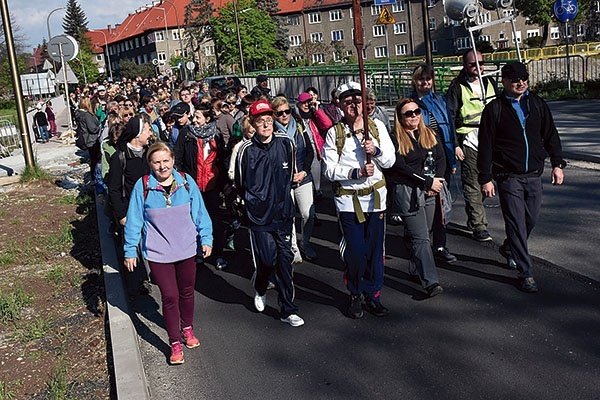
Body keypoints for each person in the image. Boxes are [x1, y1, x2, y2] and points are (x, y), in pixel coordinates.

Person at [478, 62, 566, 293]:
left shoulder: (537, 104)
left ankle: (510, 248)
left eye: (524, 78)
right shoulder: (495, 109)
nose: (521, 83)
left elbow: (551, 135)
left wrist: (557, 163)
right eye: (516, 79)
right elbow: (485, 145)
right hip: (508, 176)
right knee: (516, 222)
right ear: (505, 82)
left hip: (534, 173)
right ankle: (525, 272)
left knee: (531, 219)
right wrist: (485, 178)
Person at [124, 142, 213, 365]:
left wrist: (207, 238)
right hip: (158, 252)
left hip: (186, 249)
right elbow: (134, 220)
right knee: (170, 296)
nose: (162, 166)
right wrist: (130, 251)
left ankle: (187, 329)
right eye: (157, 162)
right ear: (150, 164)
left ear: (172, 160)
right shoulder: (142, 186)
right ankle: (174, 342)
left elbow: (200, 212)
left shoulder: (185, 182)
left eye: (166, 161)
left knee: (187, 292)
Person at [322, 82, 395, 318]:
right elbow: (329, 170)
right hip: (348, 202)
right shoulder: (335, 133)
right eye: (348, 102)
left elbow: (390, 162)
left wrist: (377, 151)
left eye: (358, 100)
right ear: (340, 106)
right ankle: (355, 292)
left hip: (376, 200)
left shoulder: (378, 127)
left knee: (375, 251)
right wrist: (355, 173)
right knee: (356, 251)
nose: (354, 105)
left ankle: (373, 294)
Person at [235, 100, 304, 327]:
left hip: (283, 213)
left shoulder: (286, 143)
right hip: (259, 216)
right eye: (260, 121)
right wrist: (253, 202)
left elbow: (291, 173)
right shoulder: (246, 150)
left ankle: (288, 309)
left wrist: (290, 187)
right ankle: (261, 286)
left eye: (268, 120)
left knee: (285, 261)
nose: (266, 124)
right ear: (252, 124)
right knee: (266, 259)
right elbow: (240, 182)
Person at [387, 98, 447, 297]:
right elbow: (400, 167)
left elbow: (441, 158)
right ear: (400, 117)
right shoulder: (395, 137)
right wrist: (425, 182)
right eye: (408, 113)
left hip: (431, 190)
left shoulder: (428, 132)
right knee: (421, 238)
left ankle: (415, 267)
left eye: (416, 111)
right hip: (408, 191)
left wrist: (436, 181)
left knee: (422, 233)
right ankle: (431, 281)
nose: (413, 116)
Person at [446, 49, 498, 242]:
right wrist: (455, 145)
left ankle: (473, 217)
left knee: (486, 183)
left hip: (493, 142)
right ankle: (479, 225)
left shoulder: (490, 83)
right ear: (465, 65)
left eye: (481, 63)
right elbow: (450, 117)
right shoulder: (457, 87)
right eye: (472, 64)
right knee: (473, 184)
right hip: (469, 141)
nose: (478, 67)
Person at [411, 64, 458, 263]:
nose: (426, 82)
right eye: (422, 79)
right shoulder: (410, 103)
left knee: (440, 203)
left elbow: (450, 127)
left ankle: (440, 244)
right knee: (420, 204)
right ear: (415, 81)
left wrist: (454, 152)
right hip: (420, 159)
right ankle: (419, 246)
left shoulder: (440, 100)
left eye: (429, 79)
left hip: (441, 157)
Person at [175, 106, 229, 271]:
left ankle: (218, 253)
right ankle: (197, 252)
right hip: (193, 185)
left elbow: (221, 159)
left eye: (198, 117)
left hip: (212, 185)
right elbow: (178, 157)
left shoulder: (216, 135)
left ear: (207, 119)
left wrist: (225, 181)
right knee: (193, 220)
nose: (194, 120)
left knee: (214, 219)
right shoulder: (187, 134)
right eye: (194, 117)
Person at [273, 96, 317, 262]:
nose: (284, 115)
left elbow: (309, 152)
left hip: (303, 177)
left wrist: (304, 172)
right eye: (280, 113)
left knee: (308, 214)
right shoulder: (273, 132)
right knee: (288, 216)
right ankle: (293, 247)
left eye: (287, 111)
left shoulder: (299, 126)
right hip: (284, 182)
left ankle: (306, 242)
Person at [294, 92, 333, 198]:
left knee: (316, 173)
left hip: (315, 148)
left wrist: (317, 110)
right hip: (302, 148)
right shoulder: (294, 116)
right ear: (298, 104)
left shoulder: (314, 115)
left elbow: (327, 125)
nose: (306, 105)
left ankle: (316, 191)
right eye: (303, 103)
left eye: (308, 102)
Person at [75, 97, 101, 181]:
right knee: (95, 160)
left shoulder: (79, 114)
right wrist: (100, 126)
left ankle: (94, 177)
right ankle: (95, 178)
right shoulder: (87, 115)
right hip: (92, 140)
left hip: (86, 139)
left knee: (93, 160)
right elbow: (92, 128)